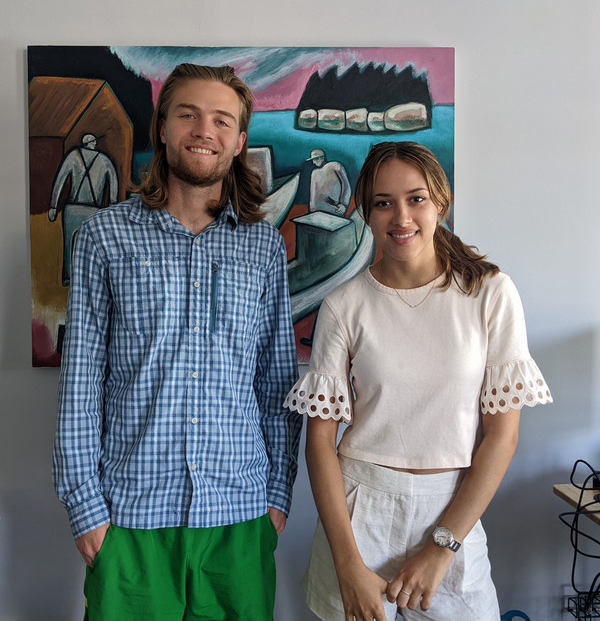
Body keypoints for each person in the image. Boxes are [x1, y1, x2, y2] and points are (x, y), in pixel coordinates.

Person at [53, 63, 302, 621]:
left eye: (221, 120)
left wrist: (276, 500)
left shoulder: (262, 248)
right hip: (129, 517)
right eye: (187, 114)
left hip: (239, 517)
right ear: (162, 127)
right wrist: (86, 509)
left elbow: (276, 383)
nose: (203, 130)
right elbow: (81, 382)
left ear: (239, 142)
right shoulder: (103, 236)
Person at [284, 141, 552, 621]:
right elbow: (320, 443)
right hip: (357, 513)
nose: (401, 216)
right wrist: (347, 565)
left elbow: (501, 437)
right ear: (366, 212)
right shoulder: (344, 306)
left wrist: (442, 547)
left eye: (416, 198)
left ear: (441, 202)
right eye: (383, 203)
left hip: (452, 512)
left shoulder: (490, 294)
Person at [48, 133, 119, 286]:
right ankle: (90, 280)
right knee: (93, 249)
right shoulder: (105, 161)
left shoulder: (73, 156)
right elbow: (113, 190)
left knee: (68, 245)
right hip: (94, 211)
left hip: (72, 208)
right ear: (93, 143)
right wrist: (112, 212)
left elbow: (59, 181)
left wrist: (53, 206)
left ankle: (67, 276)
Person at [306, 148, 351, 215]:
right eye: (313, 160)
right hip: (316, 212)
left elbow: (346, 185)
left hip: (334, 210)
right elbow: (313, 194)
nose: (313, 162)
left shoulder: (335, 165)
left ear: (322, 158)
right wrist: (312, 209)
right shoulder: (314, 172)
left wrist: (344, 204)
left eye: (315, 159)